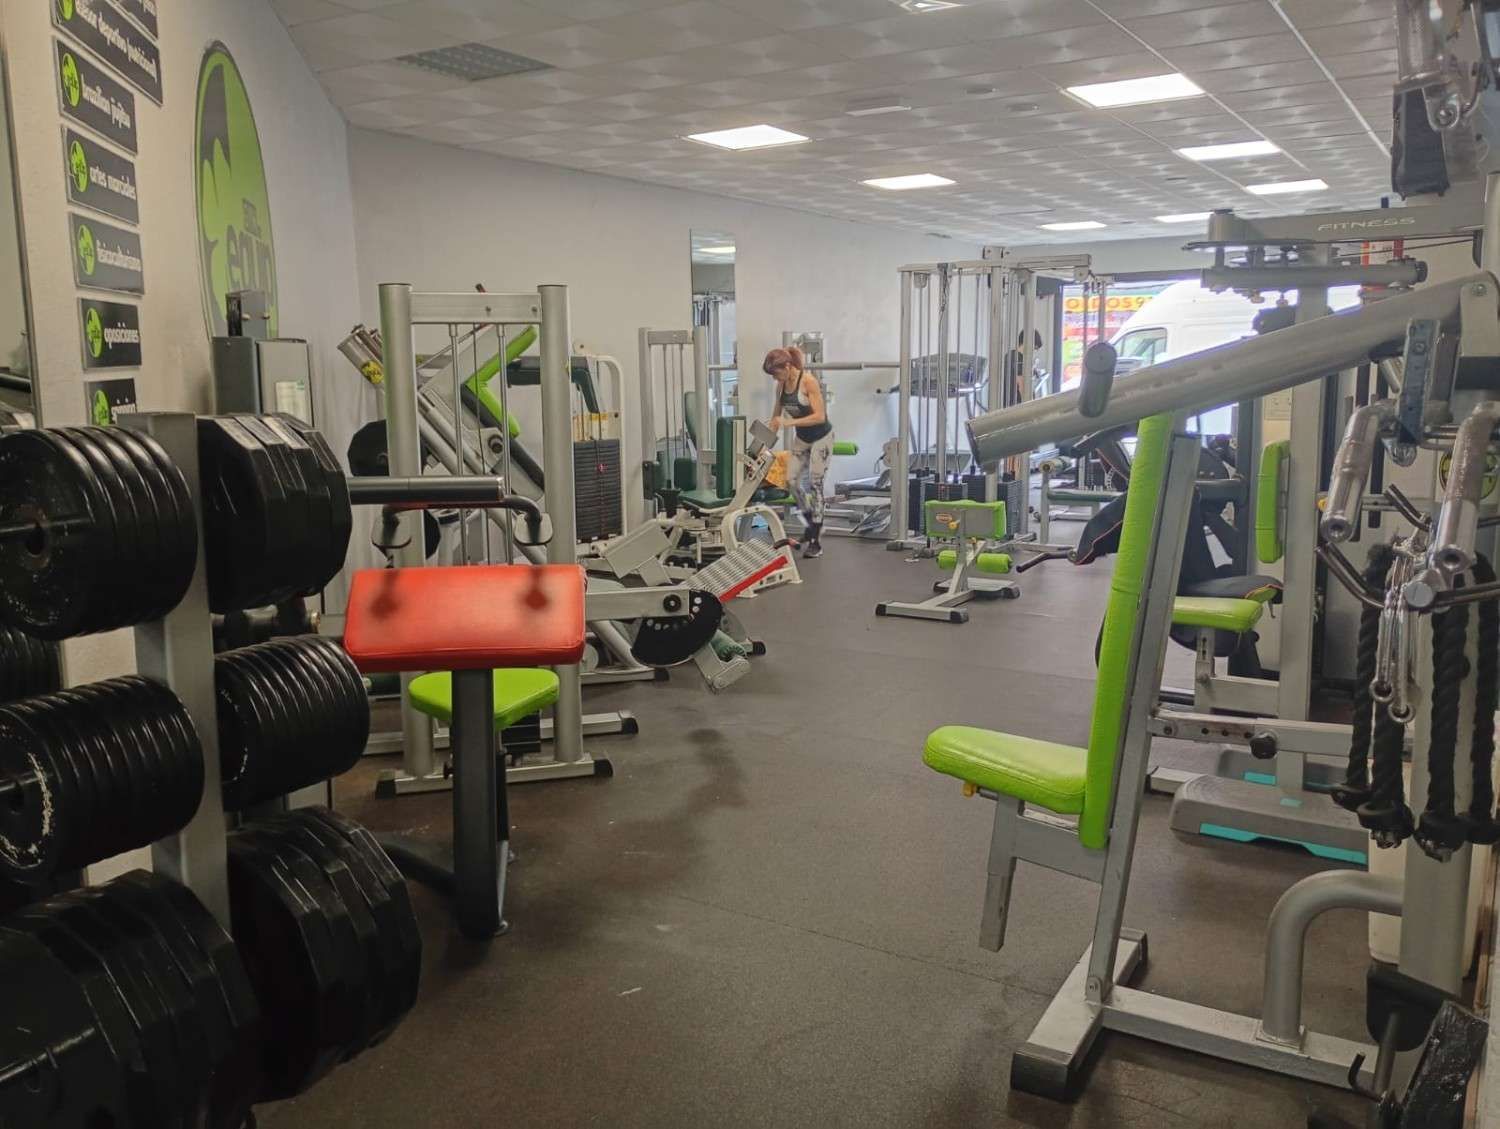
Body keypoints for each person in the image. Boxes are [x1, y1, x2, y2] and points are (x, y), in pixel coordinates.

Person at [764, 345, 832, 558]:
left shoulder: (808, 381)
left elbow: (820, 416)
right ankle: (811, 522)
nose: (776, 379)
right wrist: (764, 447)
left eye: (776, 374)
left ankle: (815, 541)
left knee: (815, 484)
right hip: (803, 438)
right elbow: (776, 419)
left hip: (822, 437)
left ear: (787, 366)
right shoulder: (781, 387)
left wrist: (789, 422)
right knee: (791, 481)